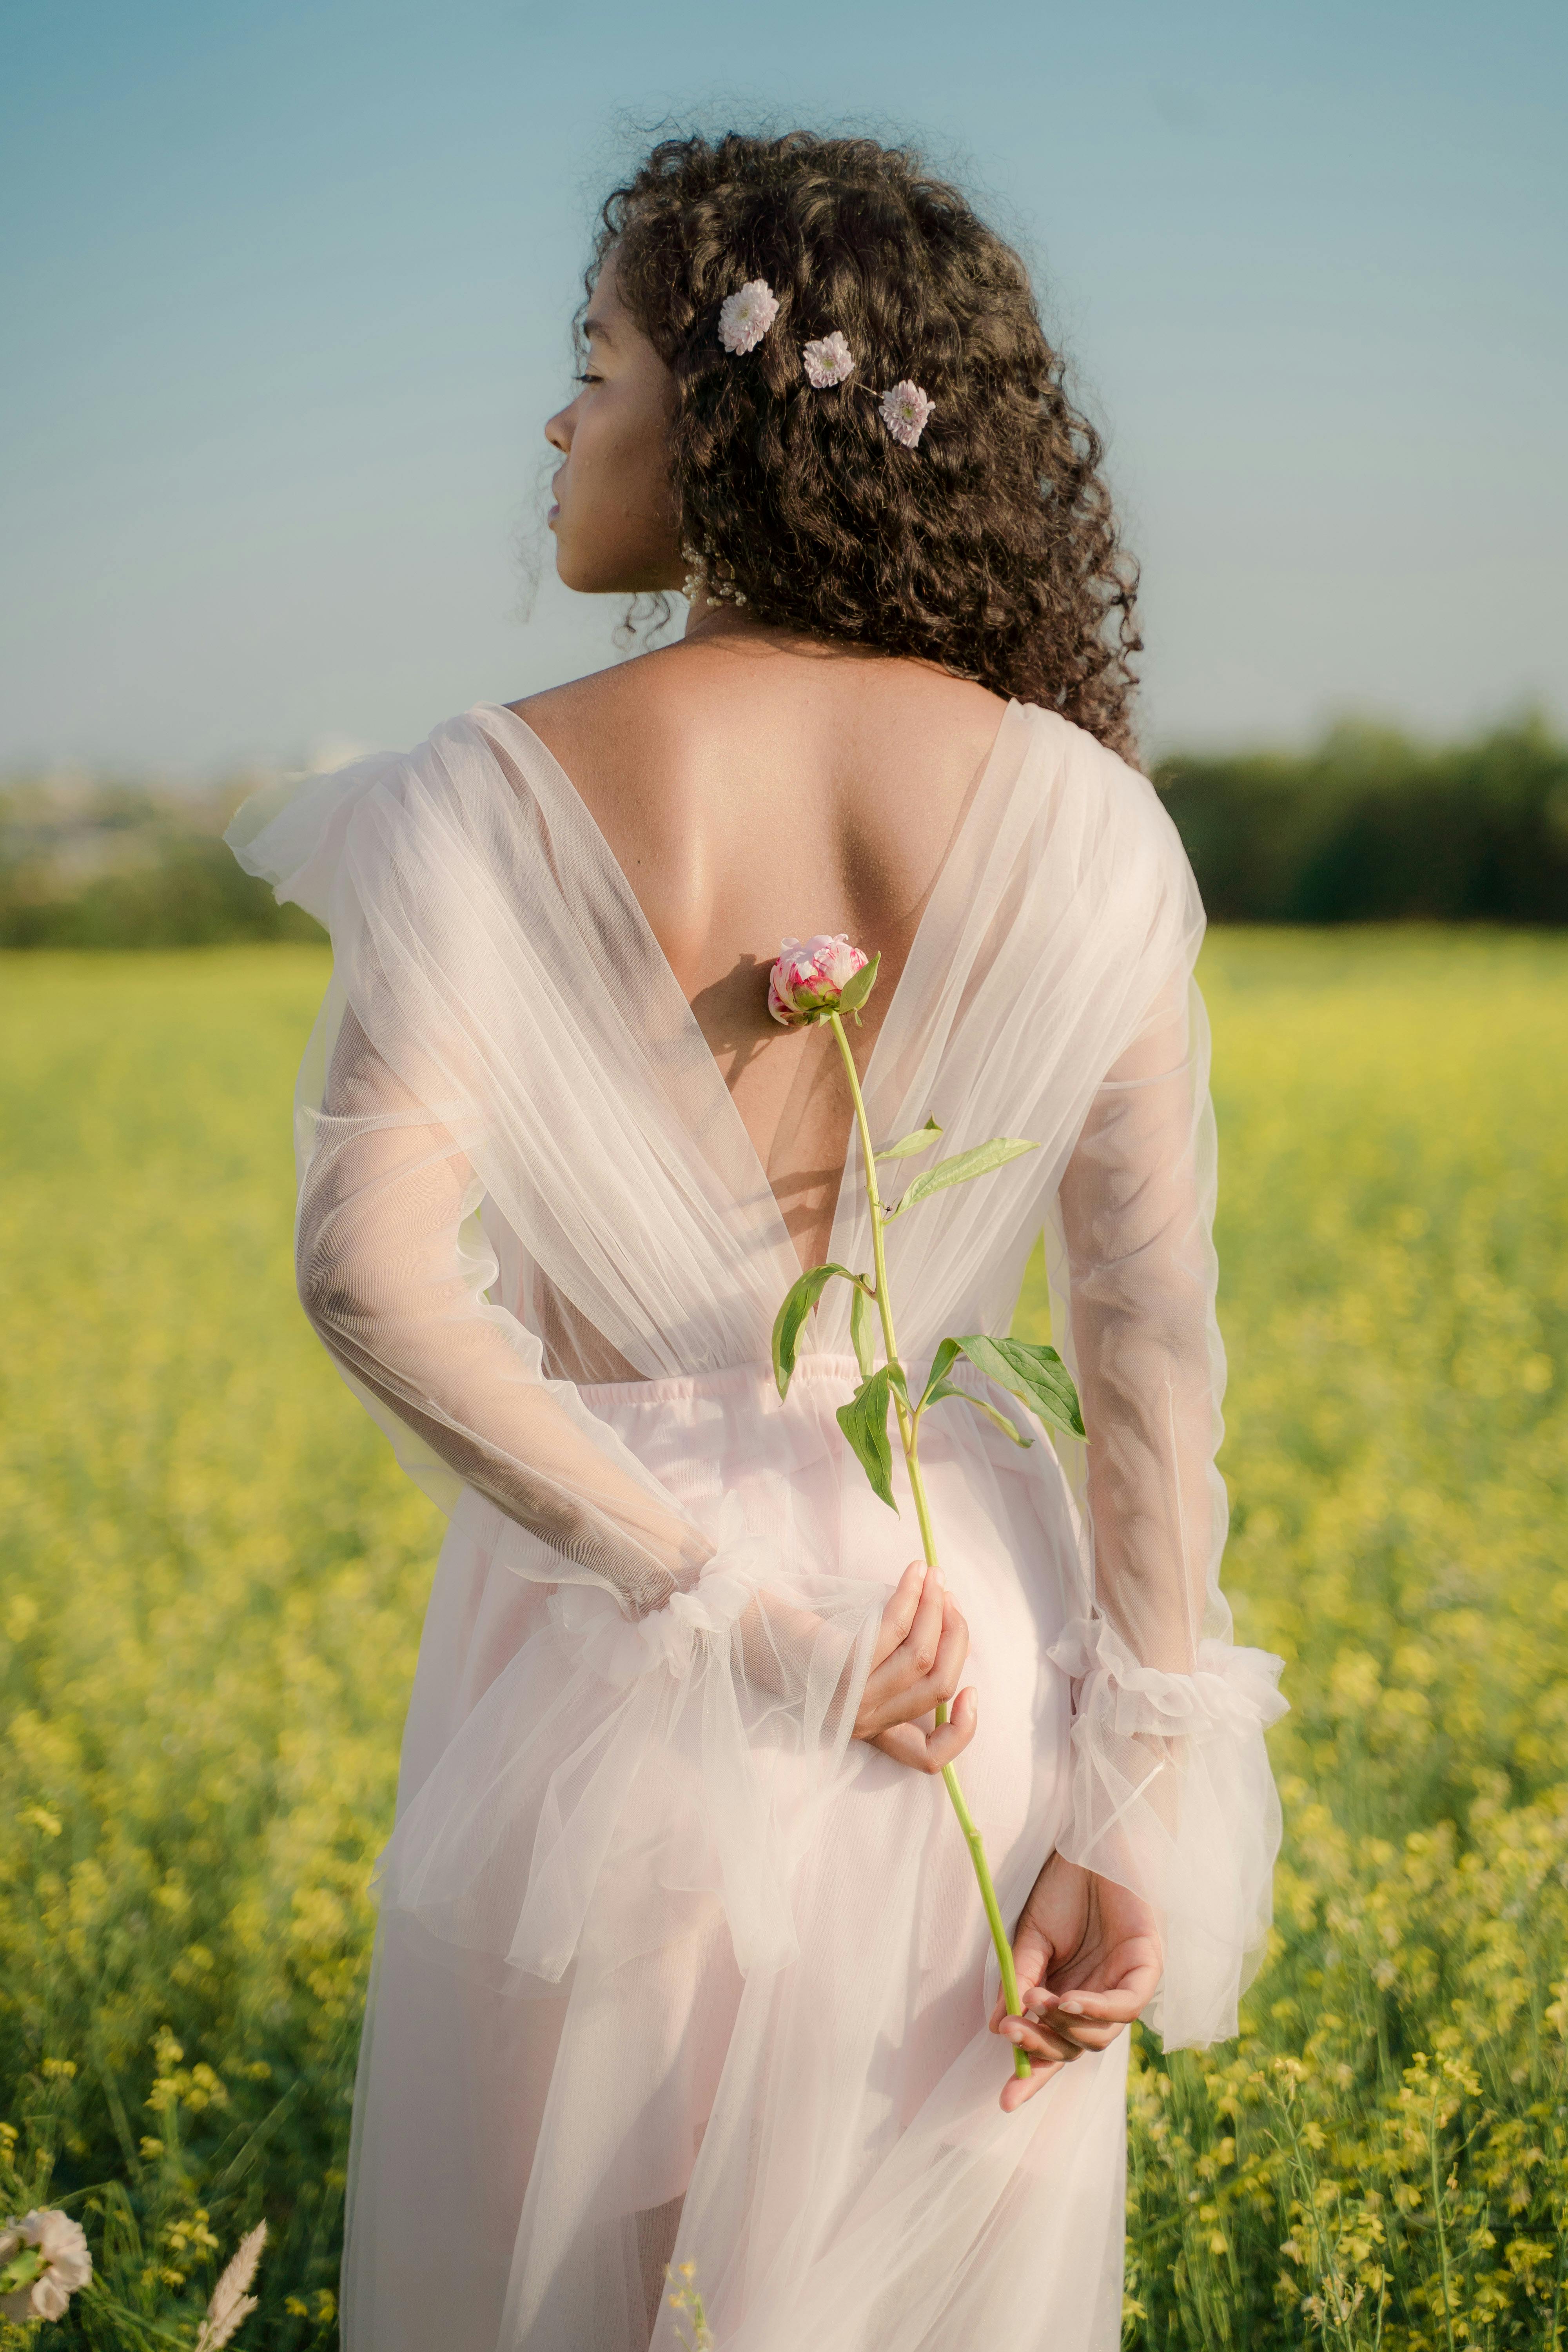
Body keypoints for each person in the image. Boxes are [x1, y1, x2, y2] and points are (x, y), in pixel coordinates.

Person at [229, 129, 1285, 2352]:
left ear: (725, 414)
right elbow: (1149, 1348)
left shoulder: (477, 791)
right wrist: (1132, 1790)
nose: (558, 419)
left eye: (591, 362)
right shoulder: (1088, 818)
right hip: (975, 1649)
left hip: (615, 1646)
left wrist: (719, 1592)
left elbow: (370, 1274)